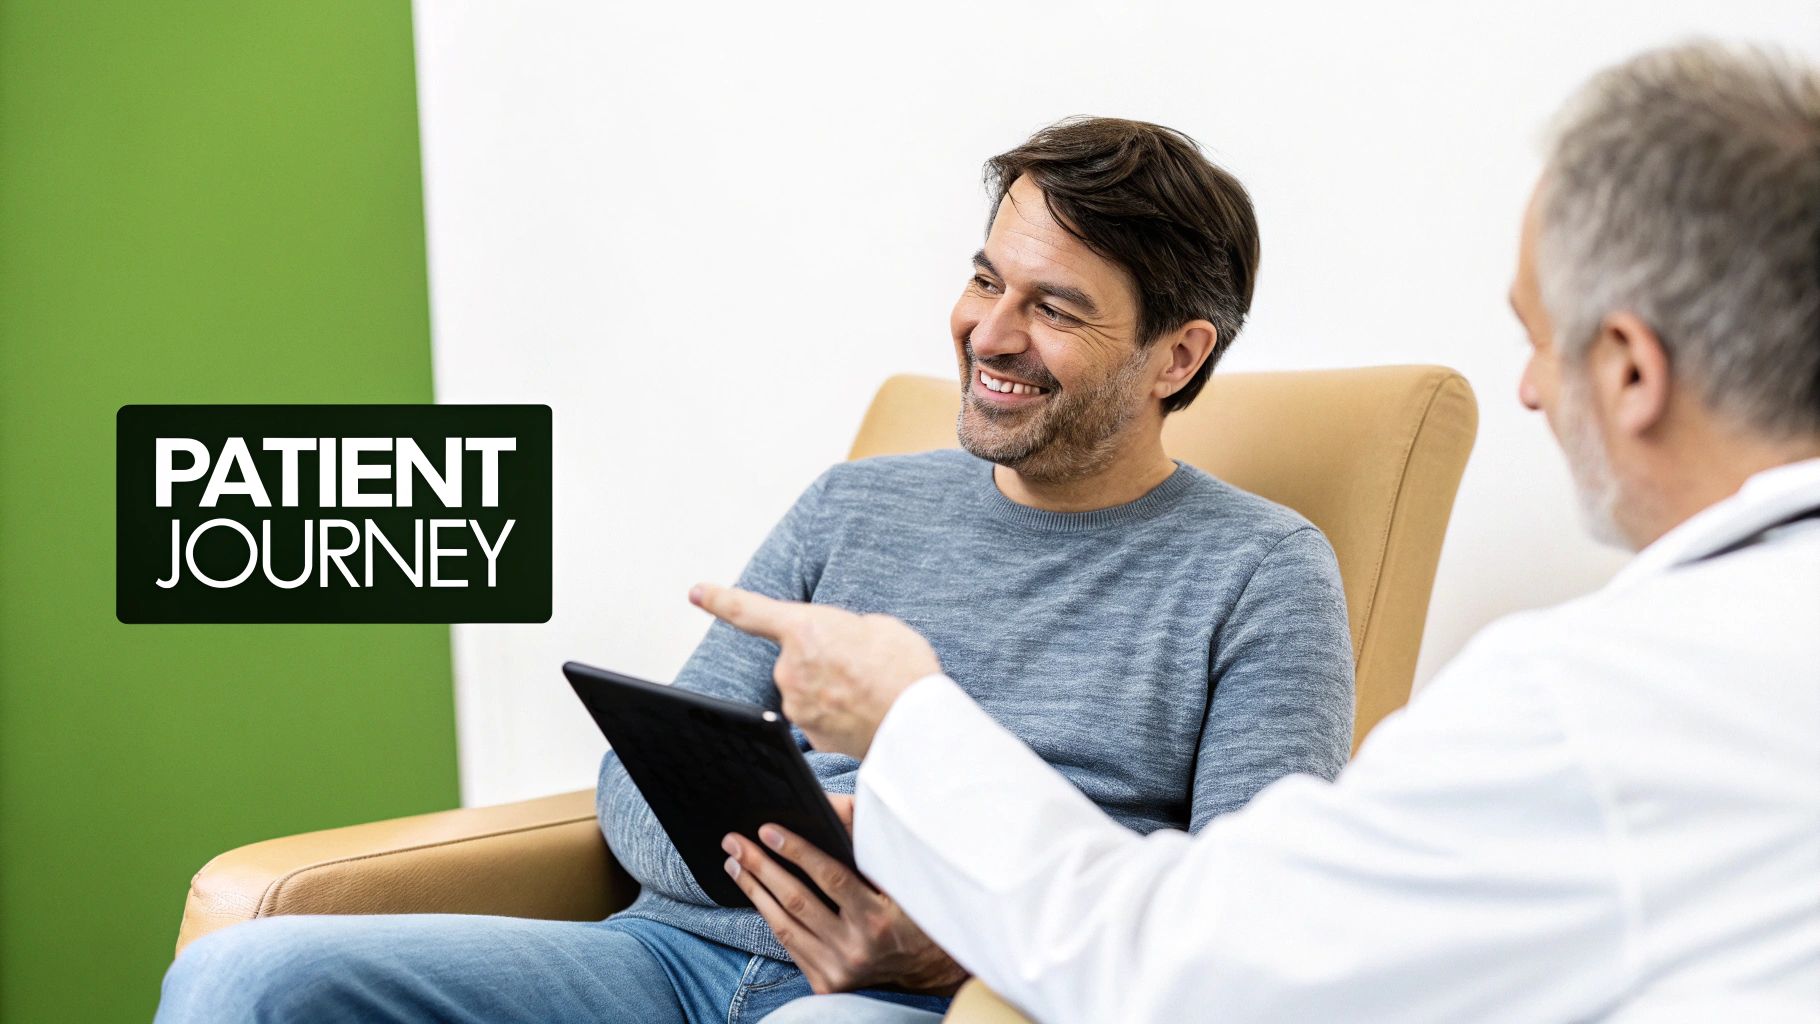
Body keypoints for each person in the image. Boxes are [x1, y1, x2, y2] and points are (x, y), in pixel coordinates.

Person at [708, 42, 1820, 1023]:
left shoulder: (1587, 707)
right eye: (988, 282)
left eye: (1539, 340)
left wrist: (907, 718)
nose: (1529, 390)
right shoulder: (853, 500)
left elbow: (1199, 979)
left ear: (1628, 370)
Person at [155, 118, 1358, 1024]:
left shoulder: (1259, 570)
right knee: (246, 978)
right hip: (663, 964)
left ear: (1175, 354)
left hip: (940, 1002)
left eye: (1053, 307)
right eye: (987, 278)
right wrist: (789, 847)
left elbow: (1240, 922)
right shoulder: (857, 501)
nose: (988, 332)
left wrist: (951, 935)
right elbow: (634, 786)